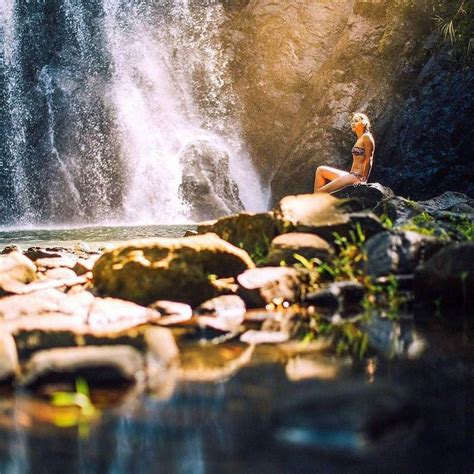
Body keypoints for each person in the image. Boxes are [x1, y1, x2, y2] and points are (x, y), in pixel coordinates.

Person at [314, 112, 375, 193]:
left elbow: (369, 159)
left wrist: (364, 180)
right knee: (320, 170)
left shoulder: (366, 137)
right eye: (352, 121)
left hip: (356, 177)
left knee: (320, 192)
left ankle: (316, 199)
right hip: (350, 174)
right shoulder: (360, 138)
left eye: (356, 121)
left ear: (364, 123)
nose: (353, 123)